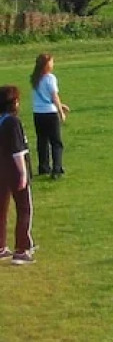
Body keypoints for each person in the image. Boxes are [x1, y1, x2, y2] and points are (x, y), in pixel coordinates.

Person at [0, 85, 35, 265]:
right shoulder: (13, 122)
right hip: (14, 170)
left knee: (2, 209)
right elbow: (17, 151)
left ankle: (1, 246)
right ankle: (22, 250)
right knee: (24, 208)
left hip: (1, 170)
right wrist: (23, 173)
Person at [30, 53, 70, 178]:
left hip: (38, 113)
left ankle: (43, 167)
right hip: (50, 113)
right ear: (46, 65)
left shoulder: (35, 78)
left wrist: (60, 105)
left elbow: (44, 96)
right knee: (56, 142)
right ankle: (57, 169)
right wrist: (60, 112)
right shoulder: (50, 78)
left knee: (42, 141)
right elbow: (54, 96)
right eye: (52, 62)